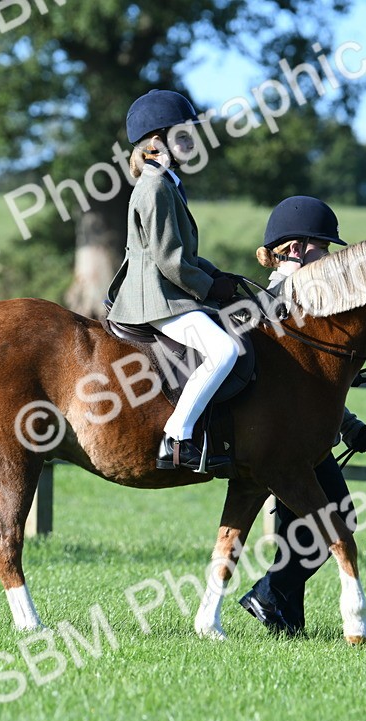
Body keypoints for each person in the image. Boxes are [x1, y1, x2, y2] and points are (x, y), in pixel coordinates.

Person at [237, 196, 366, 635]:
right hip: (276, 440)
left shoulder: (307, 303)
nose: (330, 259)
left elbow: (311, 393)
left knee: (314, 525)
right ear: (296, 248)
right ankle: (270, 598)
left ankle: (281, 613)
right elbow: (293, 391)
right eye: (324, 249)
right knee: (328, 524)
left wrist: (349, 424)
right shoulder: (276, 304)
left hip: (304, 438)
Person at [107, 89, 239, 472]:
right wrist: (209, 288)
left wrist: (217, 275)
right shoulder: (155, 187)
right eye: (183, 136)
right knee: (224, 351)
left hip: (167, 291)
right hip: (157, 298)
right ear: (155, 143)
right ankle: (177, 438)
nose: (191, 143)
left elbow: (184, 253)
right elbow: (169, 260)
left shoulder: (167, 182)